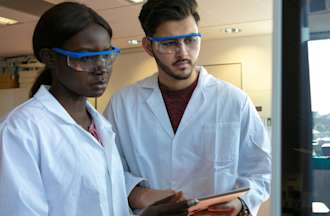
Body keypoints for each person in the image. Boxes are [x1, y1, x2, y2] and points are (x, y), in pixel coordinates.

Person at [0, 2, 195, 216]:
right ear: (50, 58)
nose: (101, 67)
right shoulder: (21, 130)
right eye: (85, 58)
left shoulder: (101, 127)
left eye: (107, 55)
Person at [104, 0, 271, 215]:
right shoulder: (122, 104)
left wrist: (241, 203)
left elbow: (262, 171)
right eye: (169, 43)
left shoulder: (235, 101)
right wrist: (141, 195)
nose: (183, 52)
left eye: (191, 40)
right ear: (148, 46)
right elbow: (106, 169)